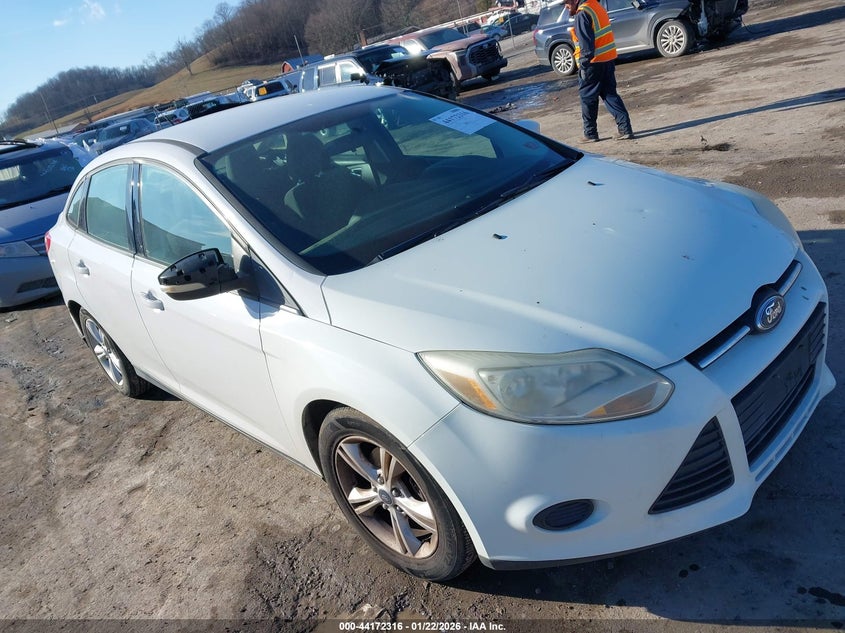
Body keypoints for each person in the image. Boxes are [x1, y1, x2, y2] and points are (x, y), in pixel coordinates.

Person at [565, 0, 634, 142]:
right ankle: (625, 129)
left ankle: (590, 134)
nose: (565, 6)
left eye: (567, 2)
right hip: (607, 60)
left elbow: (586, 46)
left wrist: (583, 66)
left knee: (588, 98)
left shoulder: (582, 13)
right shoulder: (596, 7)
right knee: (610, 95)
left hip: (593, 63)